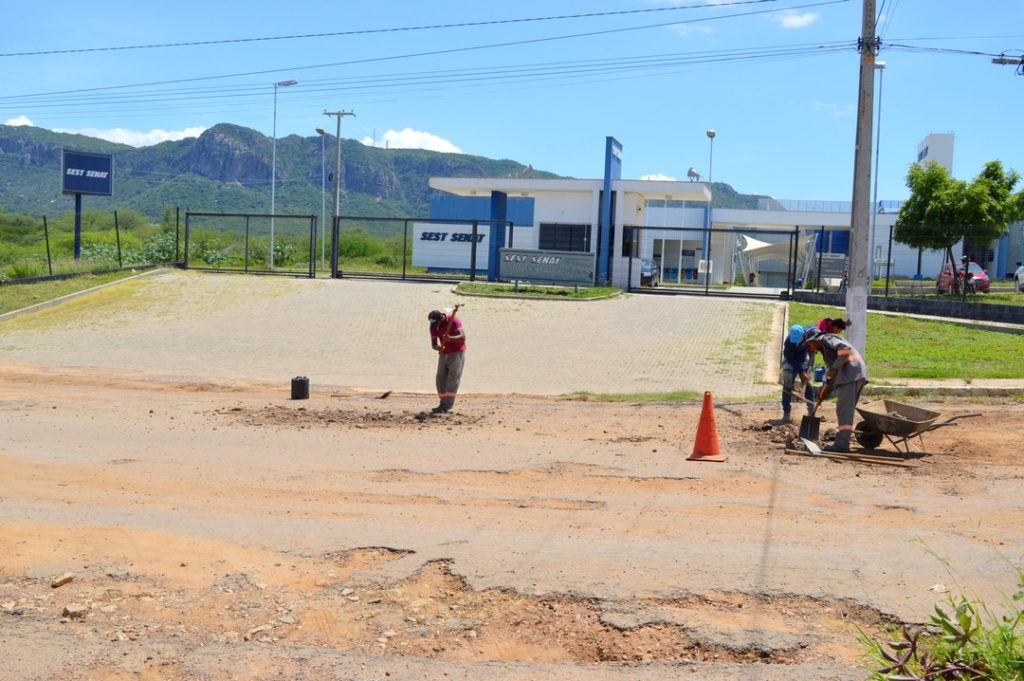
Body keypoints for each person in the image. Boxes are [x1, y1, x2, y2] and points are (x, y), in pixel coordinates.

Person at [802, 327, 868, 452]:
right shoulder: (826, 349)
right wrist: (822, 395)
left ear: (815, 339)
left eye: (810, 343)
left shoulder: (827, 338)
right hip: (853, 375)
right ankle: (842, 441)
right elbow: (831, 378)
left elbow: (844, 349)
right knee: (844, 410)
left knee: (844, 411)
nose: (810, 347)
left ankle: (842, 444)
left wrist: (835, 368)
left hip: (851, 375)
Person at [428, 308, 466, 414]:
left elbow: (463, 337)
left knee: (453, 377)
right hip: (444, 353)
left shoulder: (454, 320)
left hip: (457, 352)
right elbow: (434, 344)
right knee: (440, 377)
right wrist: (438, 348)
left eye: (437, 324)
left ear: (442, 318)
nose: (435, 327)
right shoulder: (433, 325)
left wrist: (450, 338)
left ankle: (448, 406)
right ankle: (442, 403)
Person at [779, 324, 814, 424]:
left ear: (803, 335)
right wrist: (801, 371)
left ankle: (812, 410)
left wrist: (807, 370)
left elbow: (813, 349)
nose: (795, 342)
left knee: (808, 384)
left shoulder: (809, 335)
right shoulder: (788, 342)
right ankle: (786, 413)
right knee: (787, 382)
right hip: (791, 361)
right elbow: (789, 358)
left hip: (804, 359)